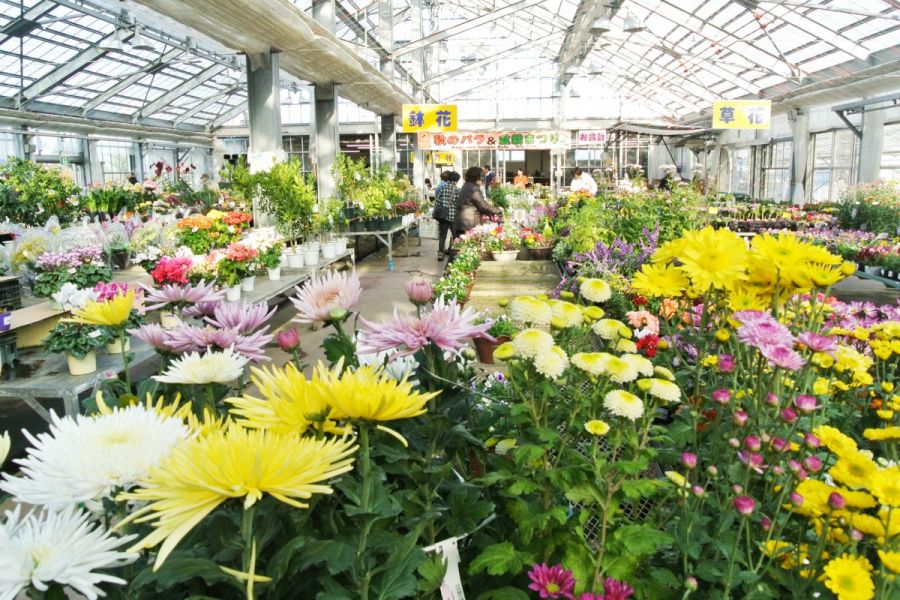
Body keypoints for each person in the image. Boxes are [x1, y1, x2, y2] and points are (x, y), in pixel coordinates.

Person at [455, 166, 502, 238]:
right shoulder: (473, 188)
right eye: (481, 176)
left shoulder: (467, 185)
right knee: (467, 245)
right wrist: (498, 210)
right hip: (468, 222)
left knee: (460, 245)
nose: (482, 178)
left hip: (462, 221)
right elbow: (483, 206)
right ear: (477, 177)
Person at [432, 171, 458, 261]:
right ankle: (454, 253)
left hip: (443, 216)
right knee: (455, 236)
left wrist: (436, 213)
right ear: (456, 180)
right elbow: (458, 204)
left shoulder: (443, 188)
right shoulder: (457, 190)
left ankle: (440, 254)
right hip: (453, 217)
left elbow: (437, 201)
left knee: (442, 236)